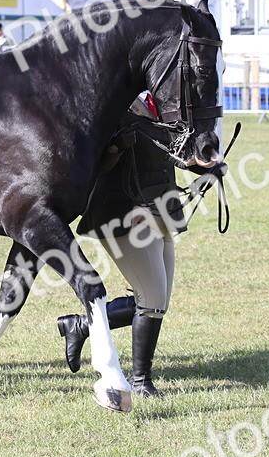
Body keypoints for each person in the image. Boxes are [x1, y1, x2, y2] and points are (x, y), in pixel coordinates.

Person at [54, 94, 200, 398]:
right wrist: (116, 148)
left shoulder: (165, 102)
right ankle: (140, 381)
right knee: (153, 299)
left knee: (157, 301)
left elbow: (175, 152)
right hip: (124, 212)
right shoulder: (113, 100)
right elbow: (90, 162)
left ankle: (80, 325)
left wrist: (206, 163)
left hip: (162, 207)